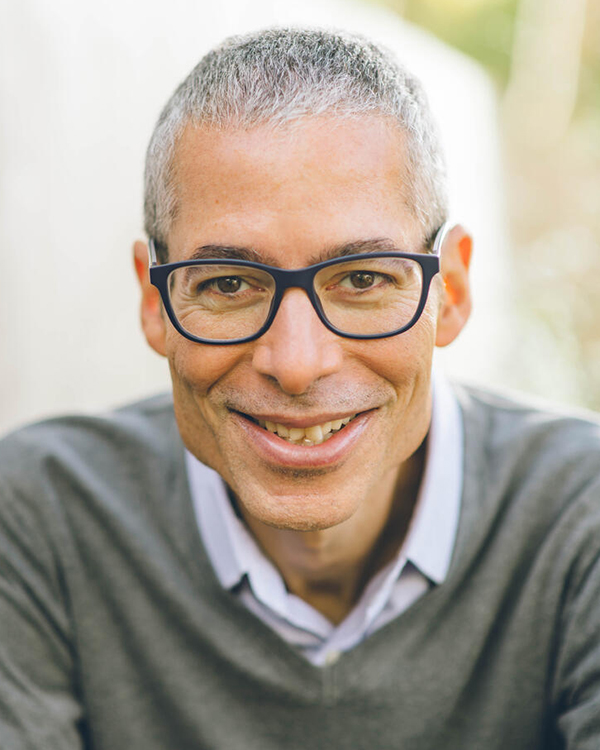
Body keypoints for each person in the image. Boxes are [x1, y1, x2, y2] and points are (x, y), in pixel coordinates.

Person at [0, 27, 599, 750]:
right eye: (228, 283)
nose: (297, 362)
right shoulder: (37, 521)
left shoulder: (580, 520)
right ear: (155, 305)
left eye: (361, 279)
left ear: (454, 291)